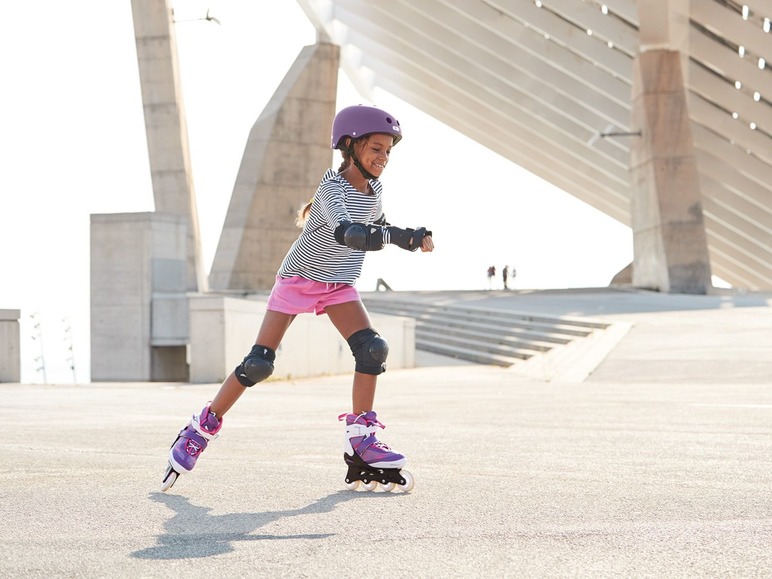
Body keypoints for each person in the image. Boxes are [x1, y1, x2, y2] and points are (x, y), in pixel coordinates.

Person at [161, 104, 434, 493]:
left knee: (372, 350)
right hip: (298, 280)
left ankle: (361, 441)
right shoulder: (330, 190)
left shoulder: (373, 193)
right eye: (376, 148)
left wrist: (408, 234)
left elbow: (378, 226)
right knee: (258, 364)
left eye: (388, 151)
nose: (383, 158)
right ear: (350, 146)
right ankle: (199, 428)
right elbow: (350, 234)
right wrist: (396, 237)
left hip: (338, 284)